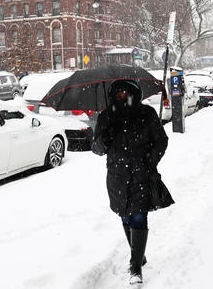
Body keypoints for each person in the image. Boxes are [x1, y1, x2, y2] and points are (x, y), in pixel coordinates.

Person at [92, 79, 174, 285]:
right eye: (118, 95)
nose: (122, 98)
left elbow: (161, 140)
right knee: (125, 217)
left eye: (126, 94)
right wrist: (105, 138)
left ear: (134, 95)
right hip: (117, 178)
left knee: (138, 217)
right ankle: (139, 254)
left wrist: (149, 160)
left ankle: (135, 266)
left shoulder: (146, 114)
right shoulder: (106, 117)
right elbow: (96, 148)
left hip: (141, 175)